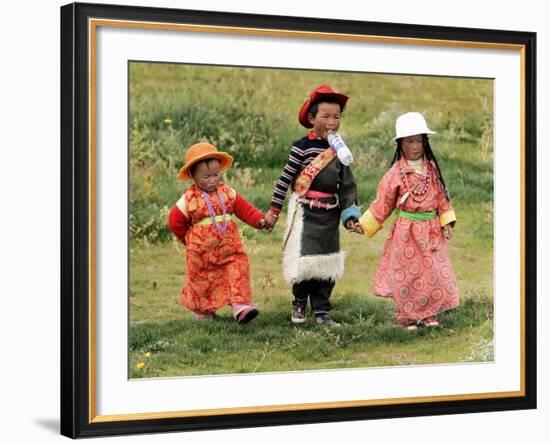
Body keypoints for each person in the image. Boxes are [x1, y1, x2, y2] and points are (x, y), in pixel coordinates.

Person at [264, 84, 361, 327]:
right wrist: (274, 210)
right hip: (305, 214)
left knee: (327, 263)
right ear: (311, 118)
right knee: (304, 262)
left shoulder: (340, 150)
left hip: (329, 215)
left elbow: (348, 185)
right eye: (325, 116)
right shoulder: (301, 147)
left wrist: (349, 214)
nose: (332, 121)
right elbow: (285, 180)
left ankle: (321, 311)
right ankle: (299, 302)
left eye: (336, 116)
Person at [357, 112, 460, 330]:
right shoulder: (396, 173)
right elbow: (383, 202)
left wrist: (446, 220)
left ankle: (430, 312)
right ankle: (408, 315)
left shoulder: (432, 170)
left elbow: (441, 197)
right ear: (400, 144)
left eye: (419, 141)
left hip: (431, 231)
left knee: (432, 272)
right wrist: (365, 224)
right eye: (410, 141)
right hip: (407, 231)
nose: (415, 146)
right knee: (408, 274)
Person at [167, 142, 266, 324]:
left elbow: (245, 210)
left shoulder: (227, 193)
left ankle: (240, 306)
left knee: (238, 269)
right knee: (203, 282)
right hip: (201, 254)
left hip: (230, 249)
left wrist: (260, 220)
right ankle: (204, 312)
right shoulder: (188, 199)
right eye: (206, 176)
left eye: (216, 174)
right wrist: (189, 240)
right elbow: (174, 222)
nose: (212, 180)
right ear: (193, 175)